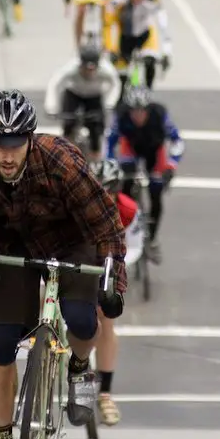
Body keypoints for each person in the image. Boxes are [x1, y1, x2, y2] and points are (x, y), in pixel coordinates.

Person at [0, 89, 127, 439]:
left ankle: (80, 370)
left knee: (83, 319)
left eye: (18, 144)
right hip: (12, 246)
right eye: (0, 145)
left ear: (31, 139)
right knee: (2, 340)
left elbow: (106, 224)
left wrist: (112, 282)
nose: (9, 155)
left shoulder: (60, 162)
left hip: (71, 239)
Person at [89, 157, 144, 425]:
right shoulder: (75, 204)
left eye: (107, 192)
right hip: (82, 257)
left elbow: (134, 247)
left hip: (111, 262)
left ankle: (105, 394)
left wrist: (116, 270)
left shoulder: (128, 209)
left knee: (106, 318)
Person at [106, 85, 184, 263]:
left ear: (148, 110)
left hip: (154, 151)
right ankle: (125, 230)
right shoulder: (121, 115)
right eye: (134, 112)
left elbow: (177, 141)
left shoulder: (159, 115)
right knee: (123, 190)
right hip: (131, 148)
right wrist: (111, 165)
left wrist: (171, 166)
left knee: (156, 192)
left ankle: (153, 239)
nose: (137, 116)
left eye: (142, 112)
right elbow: (110, 142)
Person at [44, 43, 121, 161]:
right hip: (74, 93)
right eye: (86, 69)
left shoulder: (106, 69)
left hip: (94, 96)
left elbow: (115, 83)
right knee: (68, 124)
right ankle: (65, 155)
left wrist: (109, 103)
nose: (89, 73)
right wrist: (51, 106)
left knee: (96, 128)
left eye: (92, 69)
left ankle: (96, 159)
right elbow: (55, 82)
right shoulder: (71, 67)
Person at [109, 0, 172, 93]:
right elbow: (109, 24)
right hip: (124, 37)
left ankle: (148, 92)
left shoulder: (153, 1)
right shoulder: (118, 0)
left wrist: (166, 53)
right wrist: (111, 48)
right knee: (121, 75)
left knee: (150, 62)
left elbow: (164, 27)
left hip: (144, 36)